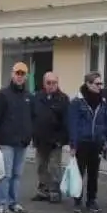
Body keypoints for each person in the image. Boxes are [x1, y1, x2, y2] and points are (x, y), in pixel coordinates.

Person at [0, 62, 34, 213]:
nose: (20, 76)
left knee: (17, 175)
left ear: (26, 76)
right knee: (4, 175)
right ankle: (1, 205)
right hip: (6, 141)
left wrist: (30, 135)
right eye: (17, 73)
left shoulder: (28, 97)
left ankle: (13, 203)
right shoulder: (2, 95)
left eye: (23, 74)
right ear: (12, 74)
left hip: (22, 142)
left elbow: (32, 118)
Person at [67, 71, 107, 213]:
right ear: (88, 84)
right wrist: (73, 144)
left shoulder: (102, 101)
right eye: (97, 83)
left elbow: (105, 122)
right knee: (79, 172)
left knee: (94, 173)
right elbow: (73, 124)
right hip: (82, 142)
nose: (100, 86)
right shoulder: (77, 101)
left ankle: (91, 200)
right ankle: (77, 200)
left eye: (101, 83)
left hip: (96, 142)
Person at [31, 71, 69, 203]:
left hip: (55, 141)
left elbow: (66, 122)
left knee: (54, 167)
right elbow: (33, 117)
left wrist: (62, 140)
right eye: (49, 83)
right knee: (41, 166)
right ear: (44, 83)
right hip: (40, 140)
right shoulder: (36, 97)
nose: (51, 85)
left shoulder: (63, 99)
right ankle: (42, 191)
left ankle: (54, 192)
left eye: (54, 83)